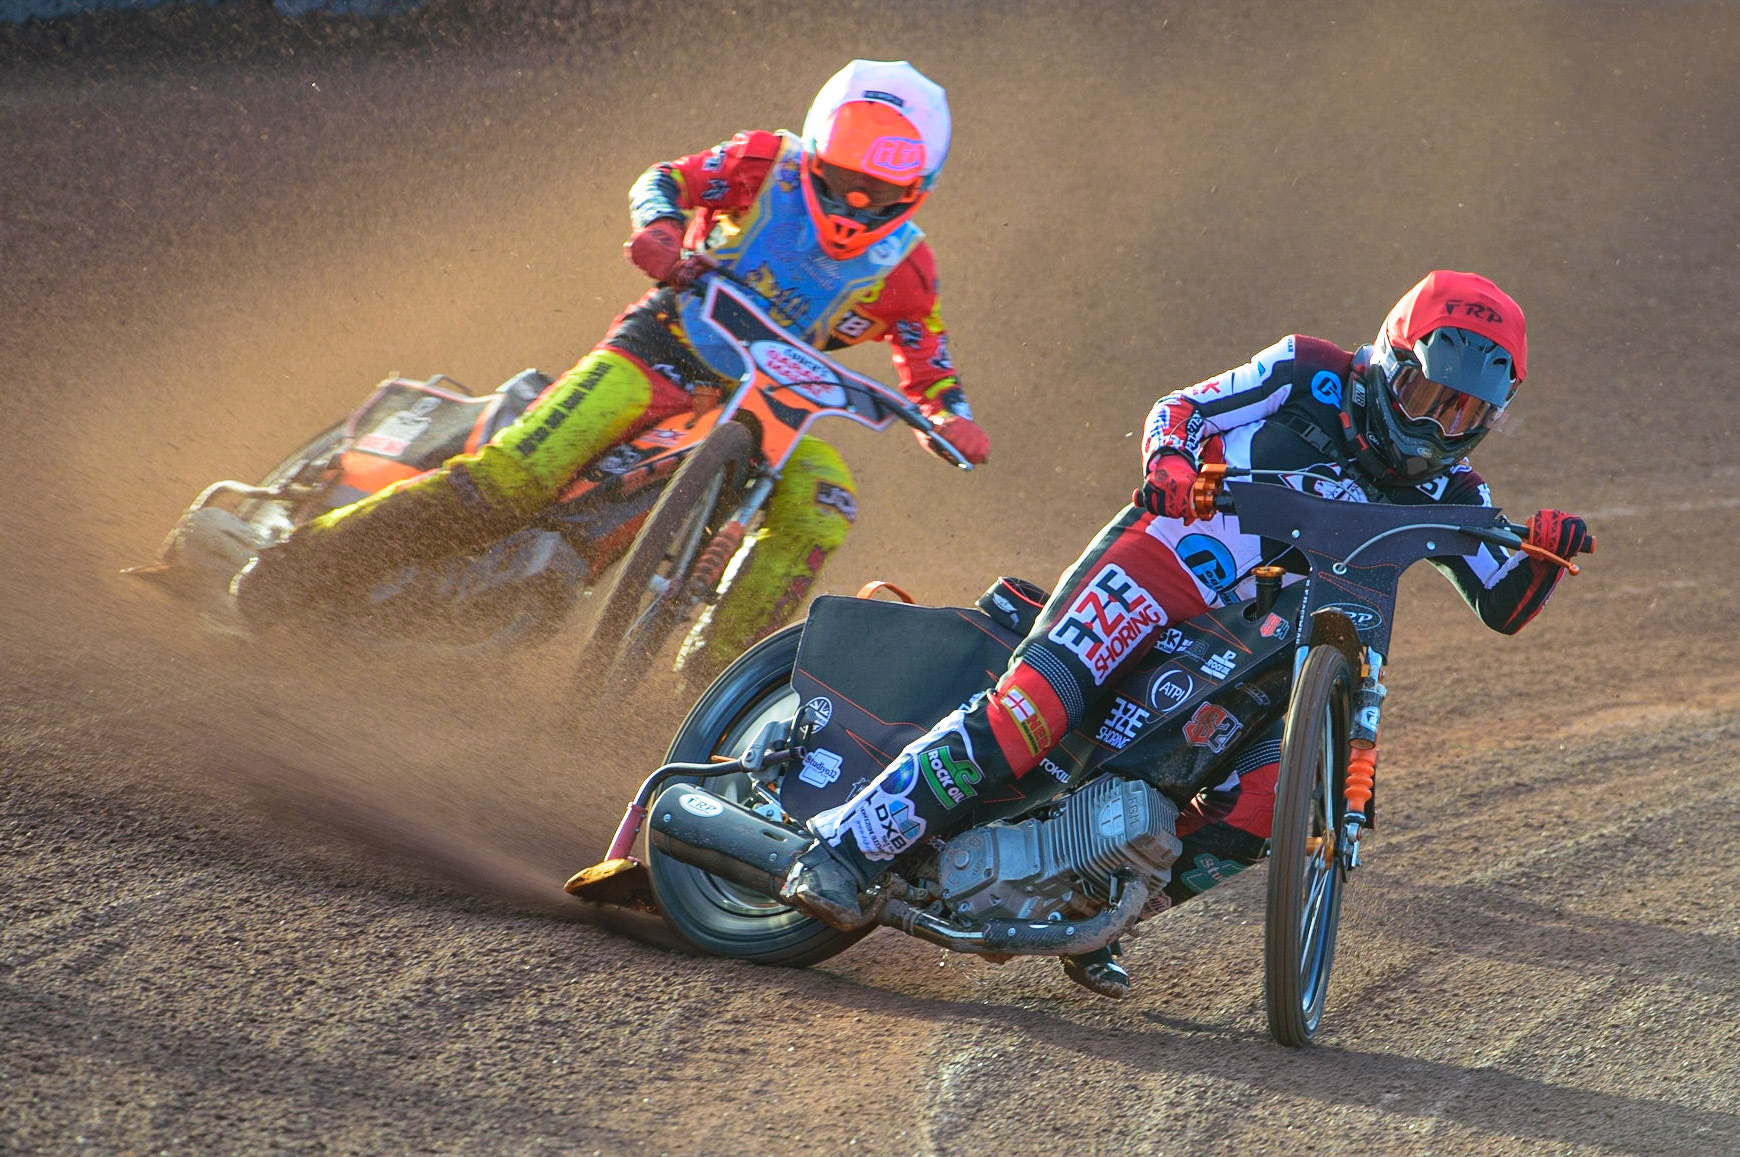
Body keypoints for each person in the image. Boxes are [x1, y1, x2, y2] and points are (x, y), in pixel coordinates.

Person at [779, 270, 1595, 997]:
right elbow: (1186, 408)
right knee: (1029, 715)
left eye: (1465, 413)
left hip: (1267, 651)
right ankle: (845, 849)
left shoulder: (1456, 488)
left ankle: (1099, 910)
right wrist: (1171, 459)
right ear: (1390, 360)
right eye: (1428, 398)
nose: (1438, 428)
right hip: (1163, 571)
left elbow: (1504, 600)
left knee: (1280, 800)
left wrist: (1548, 555)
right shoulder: (1308, 370)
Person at [236, 60, 989, 675]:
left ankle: (704, 693)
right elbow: (666, 179)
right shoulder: (766, 164)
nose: (857, 201)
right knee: (514, 478)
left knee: (826, 502)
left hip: (765, 413)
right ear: (816, 151)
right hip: (660, 349)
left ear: (917, 190)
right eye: (843, 177)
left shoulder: (907, 270)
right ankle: (295, 569)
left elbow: (929, 364)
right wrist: (659, 232)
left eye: (882, 190)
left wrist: (949, 415)